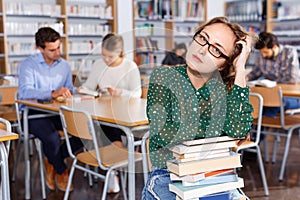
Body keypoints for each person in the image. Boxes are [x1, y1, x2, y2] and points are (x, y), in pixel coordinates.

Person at [142, 16, 253, 199]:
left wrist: (240, 68)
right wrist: (217, 130)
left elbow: (237, 129)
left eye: (216, 50)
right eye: (203, 38)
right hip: (168, 175)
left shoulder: (225, 88)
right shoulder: (164, 76)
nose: (202, 50)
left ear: (225, 63)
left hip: (214, 175)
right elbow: (162, 132)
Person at [18, 27, 83, 192]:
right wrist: (52, 93)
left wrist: (70, 93)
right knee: (52, 139)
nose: (57, 52)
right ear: (41, 49)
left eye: (59, 47)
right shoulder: (29, 65)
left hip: (58, 112)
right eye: (52, 50)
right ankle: (61, 170)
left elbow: (69, 89)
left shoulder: (65, 66)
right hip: (33, 113)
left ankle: (53, 161)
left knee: (84, 131)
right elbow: (24, 92)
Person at [80, 32, 142, 193]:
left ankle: (112, 169)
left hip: (126, 113)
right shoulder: (99, 65)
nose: (106, 60)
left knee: (104, 127)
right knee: (97, 124)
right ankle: (113, 167)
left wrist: (120, 92)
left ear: (120, 53)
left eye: (110, 57)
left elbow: (137, 94)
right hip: (104, 112)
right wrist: (83, 90)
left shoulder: (130, 67)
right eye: (103, 55)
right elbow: (89, 86)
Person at [248, 31, 300, 117]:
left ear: (274, 47)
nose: (263, 55)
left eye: (266, 52)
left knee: (266, 106)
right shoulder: (262, 56)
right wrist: (242, 79)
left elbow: (292, 78)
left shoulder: (289, 52)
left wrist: (270, 83)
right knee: (252, 103)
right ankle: (262, 128)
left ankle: (262, 128)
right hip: (269, 96)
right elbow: (254, 73)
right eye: (261, 53)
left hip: (291, 97)